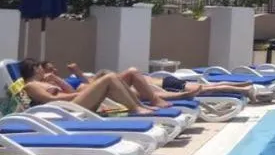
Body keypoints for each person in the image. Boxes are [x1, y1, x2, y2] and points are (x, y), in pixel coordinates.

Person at [18, 59, 160, 115]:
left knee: (112, 76)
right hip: (64, 109)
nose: (42, 69)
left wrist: (57, 80)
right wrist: (77, 95)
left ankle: (139, 105)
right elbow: (49, 100)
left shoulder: (45, 81)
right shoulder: (31, 85)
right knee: (109, 77)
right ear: (34, 69)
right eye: (39, 67)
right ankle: (135, 109)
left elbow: (70, 90)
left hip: (72, 104)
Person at [59, 63, 250, 101]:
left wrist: (74, 72)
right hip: (165, 83)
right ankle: (244, 87)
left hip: (165, 84)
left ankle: (245, 87)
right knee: (209, 87)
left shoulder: (118, 85)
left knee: (209, 88)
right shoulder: (109, 85)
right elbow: (87, 83)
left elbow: (88, 83)